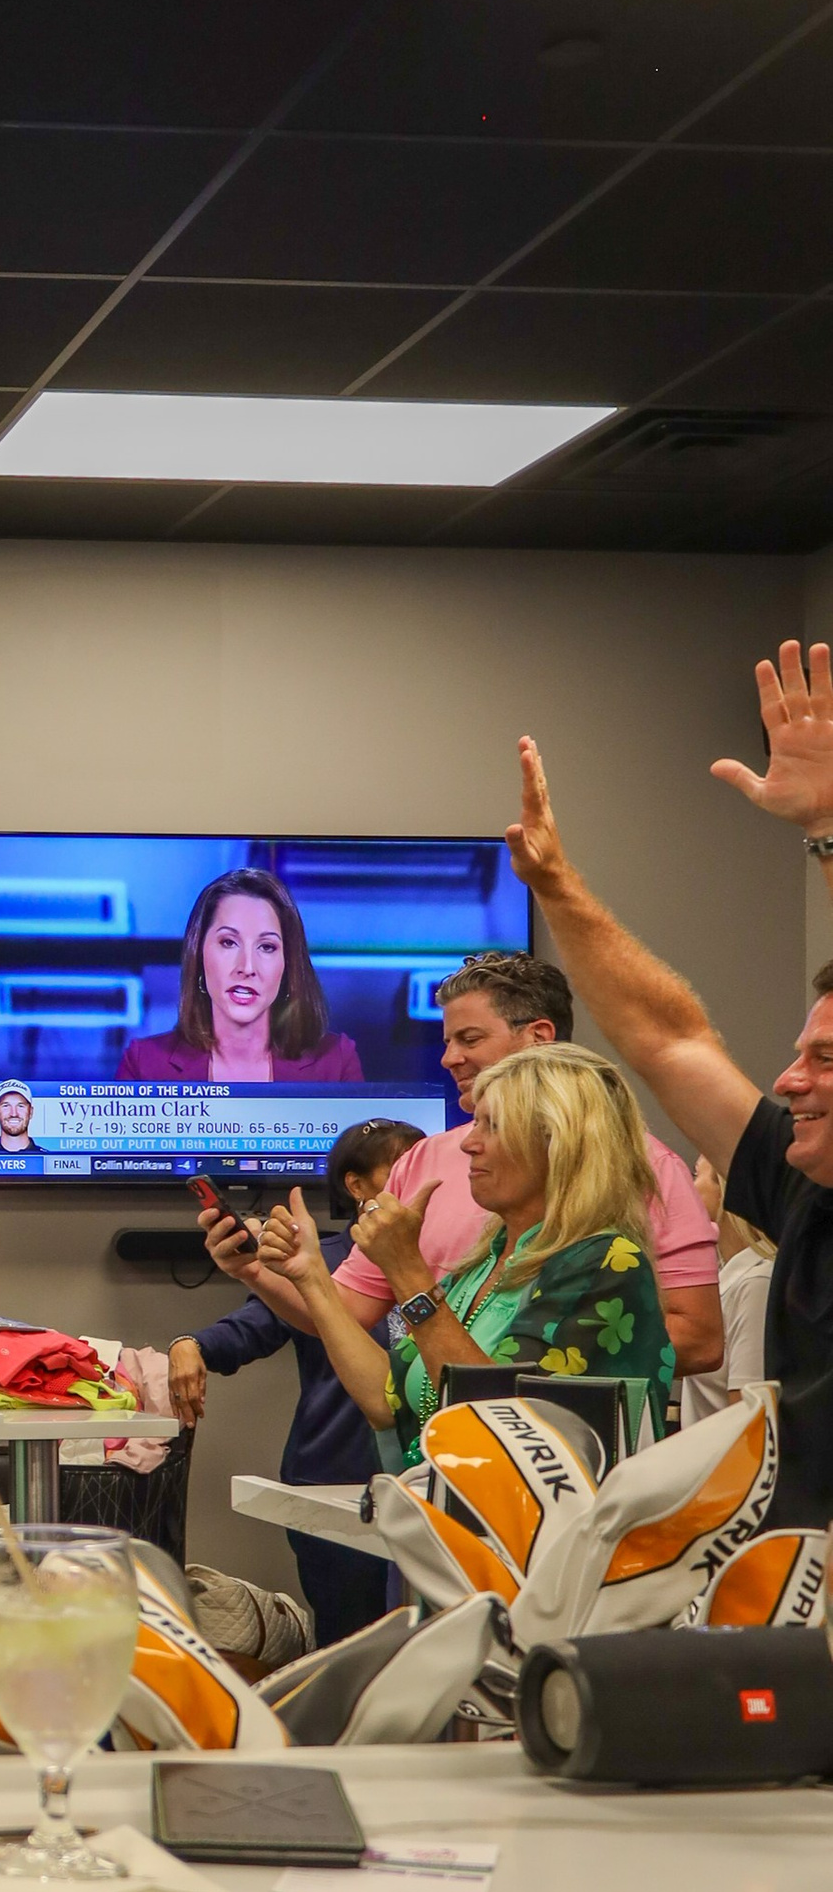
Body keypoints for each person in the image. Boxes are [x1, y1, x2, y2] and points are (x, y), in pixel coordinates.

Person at [502, 643, 833, 1520]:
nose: (789, 1080)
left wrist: (829, 831)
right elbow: (667, 1038)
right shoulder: (802, 1187)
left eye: (825, 1060)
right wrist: (556, 886)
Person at [198, 945, 723, 1382]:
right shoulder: (424, 1160)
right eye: (447, 1041)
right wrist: (257, 1270)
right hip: (425, 1451)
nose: (450, 1058)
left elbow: (698, 1340)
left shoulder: (646, 1170)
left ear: (538, 1038)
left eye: (470, 1039)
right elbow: (348, 1315)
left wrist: (533, 1356)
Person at [254, 1045, 675, 1463]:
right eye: (476, 1124)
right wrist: (310, 1278)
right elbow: (387, 1401)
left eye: (493, 1126)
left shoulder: (604, 1260)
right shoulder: (486, 1262)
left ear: (558, 1143)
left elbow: (498, 1421)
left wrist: (406, 1269)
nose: (469, 1144)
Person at [166, 1118, 421, 1644]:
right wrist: (190, 1343)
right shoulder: (320, 1262)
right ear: (357, 1186)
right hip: (334, 1482)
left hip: (427, 1482)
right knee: (350, 1646)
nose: (423, 1176)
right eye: (405, 1165)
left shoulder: (452, 1254)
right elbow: (254, 1326)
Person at [116, 866, 362, 1086]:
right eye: (228, 942)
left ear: (287, 964)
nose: (246, 967)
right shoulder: (145, 1066)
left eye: (266, 947)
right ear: (199, 955)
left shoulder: (335, 1063)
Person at [682, 1152, 776, 1426]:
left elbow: (746, 1417)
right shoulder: (726, 1278)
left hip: (726, 1464)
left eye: (697, 1176)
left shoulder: (756, 1284)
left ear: (724, 1191)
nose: (689, 1185)